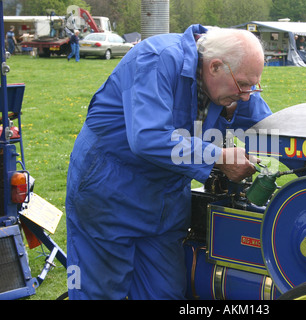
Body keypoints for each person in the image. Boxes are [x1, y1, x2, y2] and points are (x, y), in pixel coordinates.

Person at [65, 24, 272, 300]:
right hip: (108, 195)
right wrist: (219, 157)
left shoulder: (232, 77)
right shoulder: (157, 59)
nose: (247, 95)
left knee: (166, 293)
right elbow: (149, 138)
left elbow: (270, 129)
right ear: (215, 67)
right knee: (97, 291)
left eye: (253, 86)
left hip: (165, 204)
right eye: (243, 85)